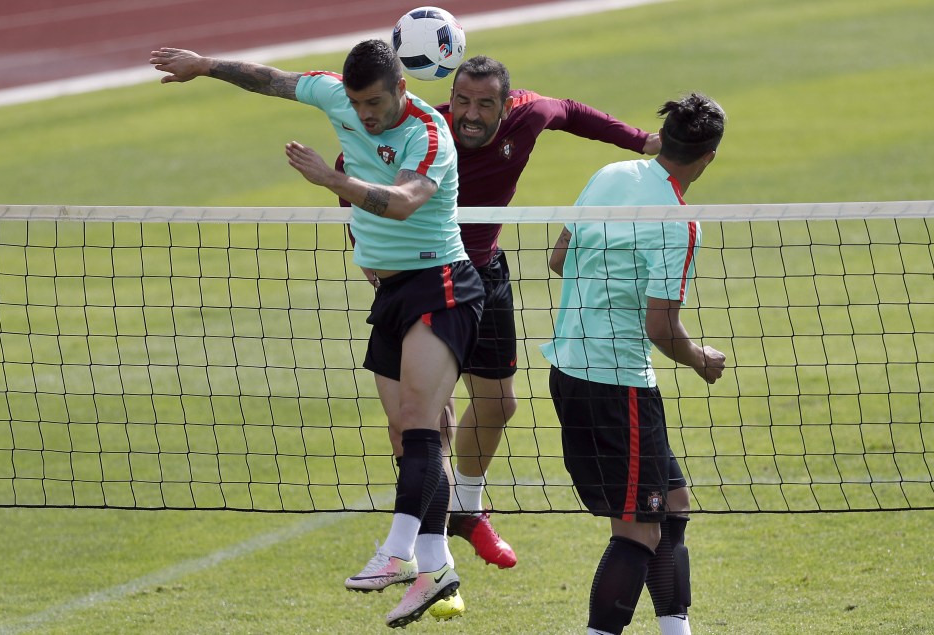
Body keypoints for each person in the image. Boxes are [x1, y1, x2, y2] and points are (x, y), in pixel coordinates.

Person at [150, 40, 484, 629]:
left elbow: (404, 203)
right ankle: (437, 567)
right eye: (356, 104)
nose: (364, 115)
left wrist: (333, 179)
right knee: (408, 434)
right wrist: (205, 65)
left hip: (442, 283)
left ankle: (398, 549)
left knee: (419, 420)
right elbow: (271, 78)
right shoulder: (338, 96)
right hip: (392, 294)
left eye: (375, 103)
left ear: (401, 89)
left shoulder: (428, 133)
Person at [338, 55, 661, 571]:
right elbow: (347, 169)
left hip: (484, 274)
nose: (469, 113)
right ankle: (429, 543)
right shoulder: (423, 129)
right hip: (423, 279)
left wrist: (642, 140)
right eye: (462, 100)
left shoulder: (528, 117)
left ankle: (466, 509)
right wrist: (364, 243)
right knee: (424, 423)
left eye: (484, 103)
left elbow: (572, 112)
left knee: (499, 406)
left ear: (505, 104)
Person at [540, 92, 727, 635]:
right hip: (615, 382)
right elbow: (662, 329)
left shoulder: (610, 173)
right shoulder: (678, 221)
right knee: (637, 532)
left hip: (571, 368)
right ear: (708, 157)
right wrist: (699, 359)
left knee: (672, 503)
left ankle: (677, 630)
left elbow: (558, 257)